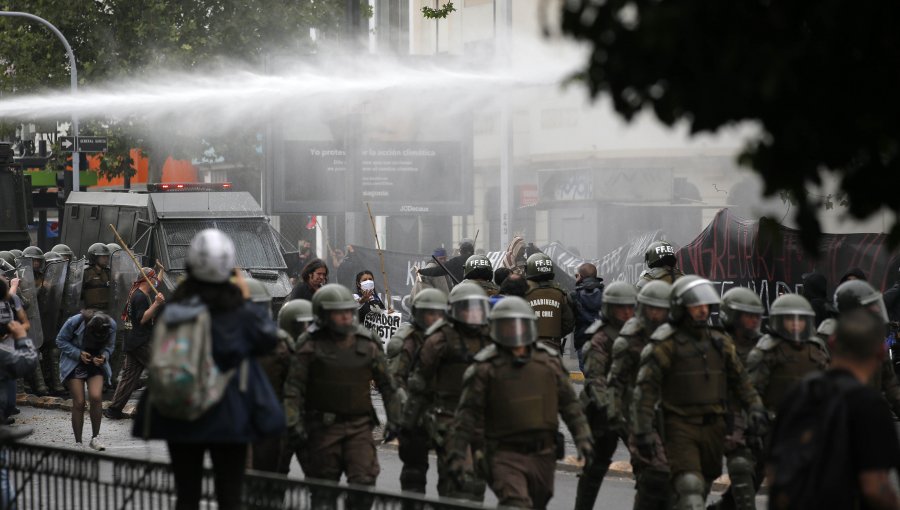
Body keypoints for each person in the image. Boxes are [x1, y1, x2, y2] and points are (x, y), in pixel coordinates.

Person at [132, 229, 279, 510]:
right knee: (230, 493)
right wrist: (244, 292)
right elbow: (267, 339)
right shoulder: (240, 311)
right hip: (228, 413)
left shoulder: (176, 308)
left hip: (180, 410)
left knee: (187, 494)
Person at [632, 276, 768, 510]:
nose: (702, 311)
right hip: (680, 426)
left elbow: (741, 381)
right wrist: (643, 431)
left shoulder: (720, 342)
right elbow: (645, 392)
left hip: (714, 427)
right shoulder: (665, 345)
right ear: (680, 308)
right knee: (690, 486)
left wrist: (755, 407)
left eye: (706, 306)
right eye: (696, 306)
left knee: (698, 489)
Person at [446, 296, 593, 509]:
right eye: (507, 326)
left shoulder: (548, 362)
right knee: (515, 502)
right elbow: (467, 415)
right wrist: (458, 455)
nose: (514, 332)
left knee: (537, 502)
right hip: (503, 453)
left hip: (543, 454)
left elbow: (570, 406)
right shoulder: (485, 368)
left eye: (519, 325)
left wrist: (583, 438)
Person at [766, 309, 900, 510]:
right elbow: (874, 487)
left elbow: (772, 465)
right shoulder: (870, 405)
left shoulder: (800, 391)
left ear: (832, 343)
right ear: (881, 353)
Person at [283, 283, 399, 508]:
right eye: (339, 313)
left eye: (349, 311)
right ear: (323, 314)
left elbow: (388, 386)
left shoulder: (367, 344)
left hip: (359, 427)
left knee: (364, 484)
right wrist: (294, 423)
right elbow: (293, 390)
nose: (346, 317)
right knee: (324, 493)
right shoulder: (308, 346)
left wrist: (395, 420)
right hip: (322, 429)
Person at [399, 282, 492, 501]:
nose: (473, 314)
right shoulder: (440, 339)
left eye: (477, 308)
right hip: (448, 418)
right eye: (467, 308)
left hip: (481, 419)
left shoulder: (490, 338)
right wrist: (408, 423)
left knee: (477, 483)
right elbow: (419, 384)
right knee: (454, 479)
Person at [606, 280, 672, 510]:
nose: (658, 314)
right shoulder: (628, 340)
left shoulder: (673, 337)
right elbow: (615, 382)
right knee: (652, 474)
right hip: (637, 414)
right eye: (654, 308)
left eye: (663, 308)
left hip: (671, 416)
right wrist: (615, 415)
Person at [575, 280, 637, 510]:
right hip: (602, 413)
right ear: (610, 309)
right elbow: (596, 379)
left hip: (631, 410)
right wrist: (611, 409)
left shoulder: (637, 336)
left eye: (630, 307)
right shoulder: (600, 339)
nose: (627, 313)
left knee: (649, 469)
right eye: (621, 308)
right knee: (595, 469)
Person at [386, 288, 447, 494]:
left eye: (438, 313)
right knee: (414, 474)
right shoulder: (407, 341)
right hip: (416, 414)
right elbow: (395, 382)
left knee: (453, 477)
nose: (434, 318)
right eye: (429, 313)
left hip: (444, 414)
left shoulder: (449, 339)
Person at [709, 287, 765, 510]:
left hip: (753, 414)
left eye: (755, 316)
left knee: (755, 472)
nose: (752, 321)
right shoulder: (714, 343)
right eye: (746, 315)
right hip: (717, 416)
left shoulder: (763, 345)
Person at [822, 279, 900, 418]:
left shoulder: (874, 342)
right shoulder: (828, 340)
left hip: (869, 414)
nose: (875, 311)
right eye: (869, 308)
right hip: (837, 417)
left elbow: (890, 385)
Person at [259, 299, 312, 474]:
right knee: (274, 475)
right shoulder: (273, 350)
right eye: (303, 324)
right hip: (279, 423)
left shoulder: (314, 348)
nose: (307, 328)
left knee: (320, 477)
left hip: (307, 421)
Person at [104, 269, 165, 420]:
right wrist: (156, 304)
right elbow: (142, 319)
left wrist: (161, 270)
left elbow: (158, 281)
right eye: (153, 279)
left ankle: (114, 410)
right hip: (141, 342)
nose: (156, 282)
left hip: (132, 341)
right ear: (146, 279)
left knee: (129, 377)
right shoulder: (140, 297)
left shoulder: (138, 291)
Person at [56, 310, 116, 450]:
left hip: (96, 362)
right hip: (75, 361)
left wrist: (104, 356)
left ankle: (95, 438)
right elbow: (60, 340)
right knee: (79, 401)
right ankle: (78, 442)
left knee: (96, 397)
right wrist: (78, 354)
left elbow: (110, 346)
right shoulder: (75, 321)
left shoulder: (111, 325)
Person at [0, 280, 37, 442]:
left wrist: (16, 332)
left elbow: (25, 323)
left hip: (8, 353)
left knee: (9, 403)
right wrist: (22, 339)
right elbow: (29, 360)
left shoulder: (11, 299)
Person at [523, 252, 575, 354]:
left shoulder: (524, 294)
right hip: (553, 346)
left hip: (529, 347)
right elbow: (568, 324)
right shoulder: (560, 294)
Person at [569, 262, 604, 372]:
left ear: (580, 276)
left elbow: (569, 321)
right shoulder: (606, 293)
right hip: (603, 340)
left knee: (587, 374)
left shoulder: (574, 295)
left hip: (582, 341)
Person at [82, 243, 112, 311]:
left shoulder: (108, 272)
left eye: (107, 256)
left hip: (108, 310)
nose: (106, 259)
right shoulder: (85, 273)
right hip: (90, 311)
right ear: (94, 258)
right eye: (103, 257)